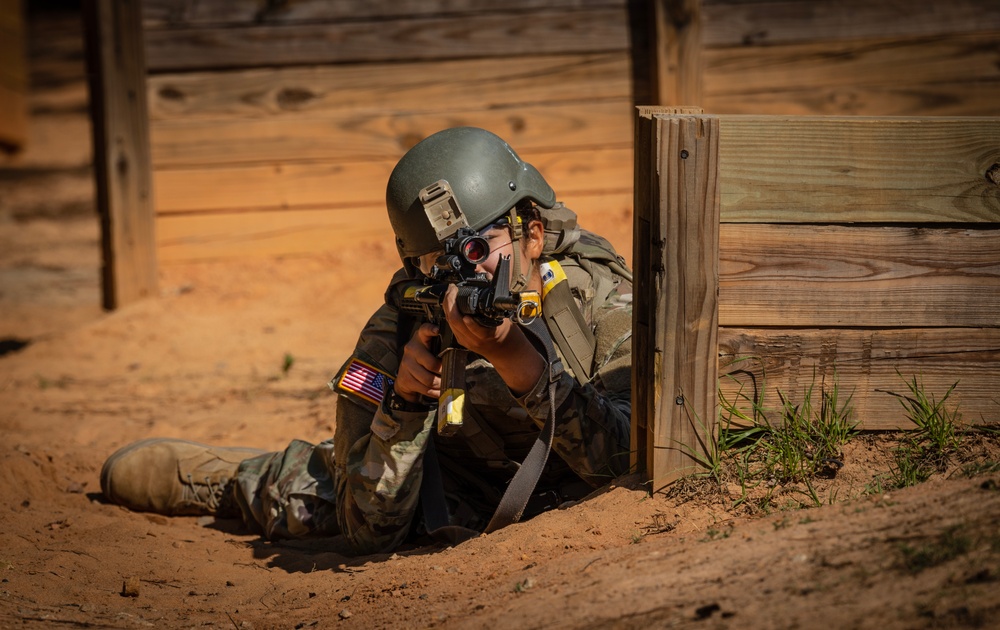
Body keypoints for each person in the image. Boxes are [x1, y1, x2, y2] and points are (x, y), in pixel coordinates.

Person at [100, 127, 633, 555]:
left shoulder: (597, 296)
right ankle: (233, 480)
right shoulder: (403, 322)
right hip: (453, 486)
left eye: (479, 250)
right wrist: (402, 406)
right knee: (310, 499)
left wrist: (522, 366)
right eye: (438, 264)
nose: (467, 278)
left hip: (575, 489)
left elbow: (633, 459)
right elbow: (369, 530)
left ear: (531, 233)